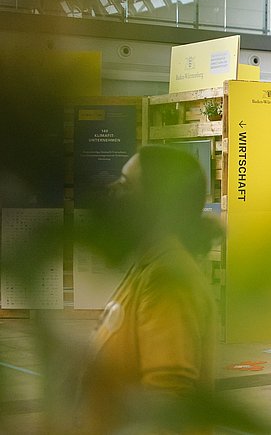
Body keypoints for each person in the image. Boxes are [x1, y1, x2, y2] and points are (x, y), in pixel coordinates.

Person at [78, 145, 220, 433]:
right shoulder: (149, 264)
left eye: (125, 184)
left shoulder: (167, 280)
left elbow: (167, 405)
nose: (112, 190)